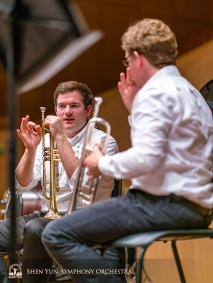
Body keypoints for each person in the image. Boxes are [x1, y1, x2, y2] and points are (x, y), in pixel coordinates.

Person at [41, 18, 213, 283]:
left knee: (55, 234)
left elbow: (147, 158)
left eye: (127, 61)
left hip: (162, 204)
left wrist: (101, 163)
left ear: (137, 58)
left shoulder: (156, 93)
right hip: (196, 207)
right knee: (108, 244)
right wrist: (134, 110)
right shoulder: (188, 91)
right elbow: (169, 149)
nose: (129, 68)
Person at [0, 81, 118, 282]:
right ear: (55, 110)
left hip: (85, 216)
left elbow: (81, 184)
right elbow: (22, 184)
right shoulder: (46, 141)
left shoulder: (102, 141)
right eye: (62, 107)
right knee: (33, 226)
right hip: (46, 214)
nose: (67, 112)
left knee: (35, 229)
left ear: (88, 110)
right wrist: (30, 150)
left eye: (74, 106)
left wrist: (60, 137)